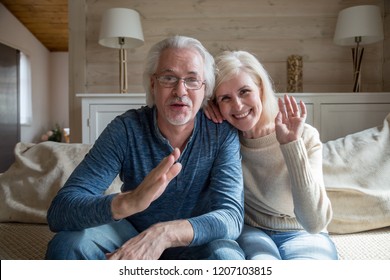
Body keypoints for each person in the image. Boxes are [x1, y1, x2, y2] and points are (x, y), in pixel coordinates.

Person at [45, 36, 245, 260]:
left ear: (204, 88)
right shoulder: (126, 129)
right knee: (68, 244)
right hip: (130, 236)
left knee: (228, 259)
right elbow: (60, 210)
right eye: (169, 78)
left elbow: (231, 216)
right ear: (153, 83)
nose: (180, 91)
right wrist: (129, 201)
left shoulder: (221, 133)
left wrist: (163, 234)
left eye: (191, 80)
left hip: (198, 241)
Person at [204, 50, 338, 260]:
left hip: (304, 233)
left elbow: (314, 223)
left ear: (261, 89)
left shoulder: (306, 135)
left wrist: (291, 145)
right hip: (252, 232)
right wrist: (201, 109)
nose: (238, 105)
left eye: (245, 91)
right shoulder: (224, 139)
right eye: (225, 98)